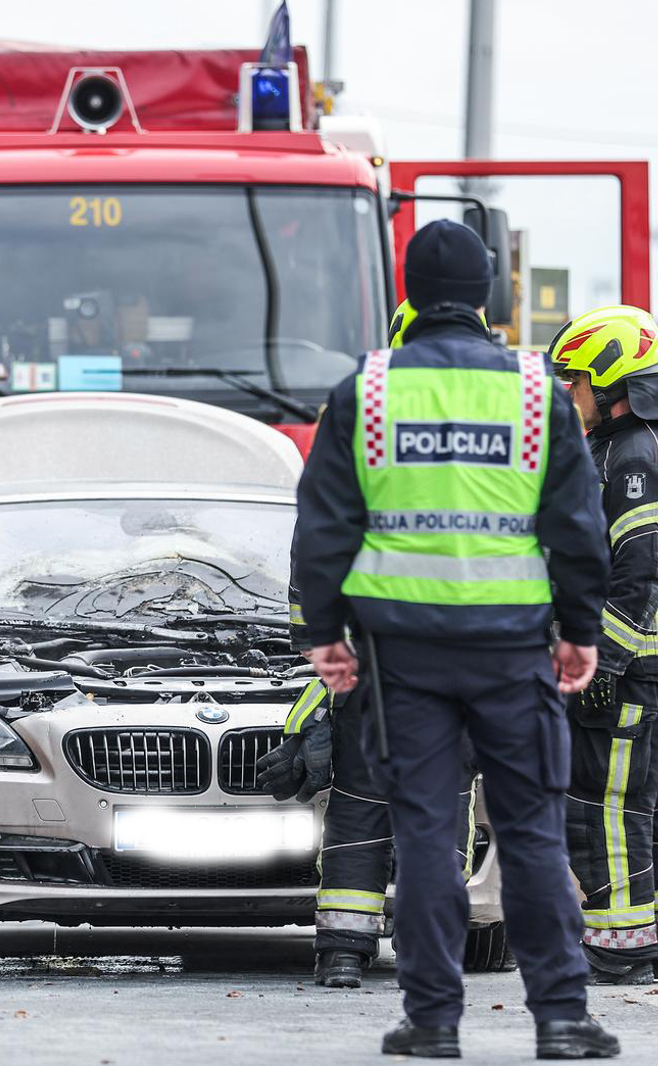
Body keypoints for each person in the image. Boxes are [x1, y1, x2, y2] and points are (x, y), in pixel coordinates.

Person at [295, 219, 619, 1059]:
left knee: (427, 838)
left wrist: (321, 634)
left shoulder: (365, 392)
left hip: (400, 657)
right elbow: (579, 527)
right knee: (532, 836)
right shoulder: (534, 391)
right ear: (489, 297)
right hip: (512, 652)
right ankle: (561, 1020)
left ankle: (433, 1020)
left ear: (406, 290)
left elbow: (324, 526)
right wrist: (580, 631)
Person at [260, 300, 480, 991]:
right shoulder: (491, 417)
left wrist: (316, 638)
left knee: (360, 794)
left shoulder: (354, 412)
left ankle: (342, 951)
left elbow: (316, 539)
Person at [547, 305, 658, 986]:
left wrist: (601, 664)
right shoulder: (637, 446)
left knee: (606, 805)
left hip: (632, 668)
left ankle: (619, 947)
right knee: (656, 802)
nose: (568, 396)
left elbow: (640, 571)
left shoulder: (633, 457)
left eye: (575, 382)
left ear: (612, 383)